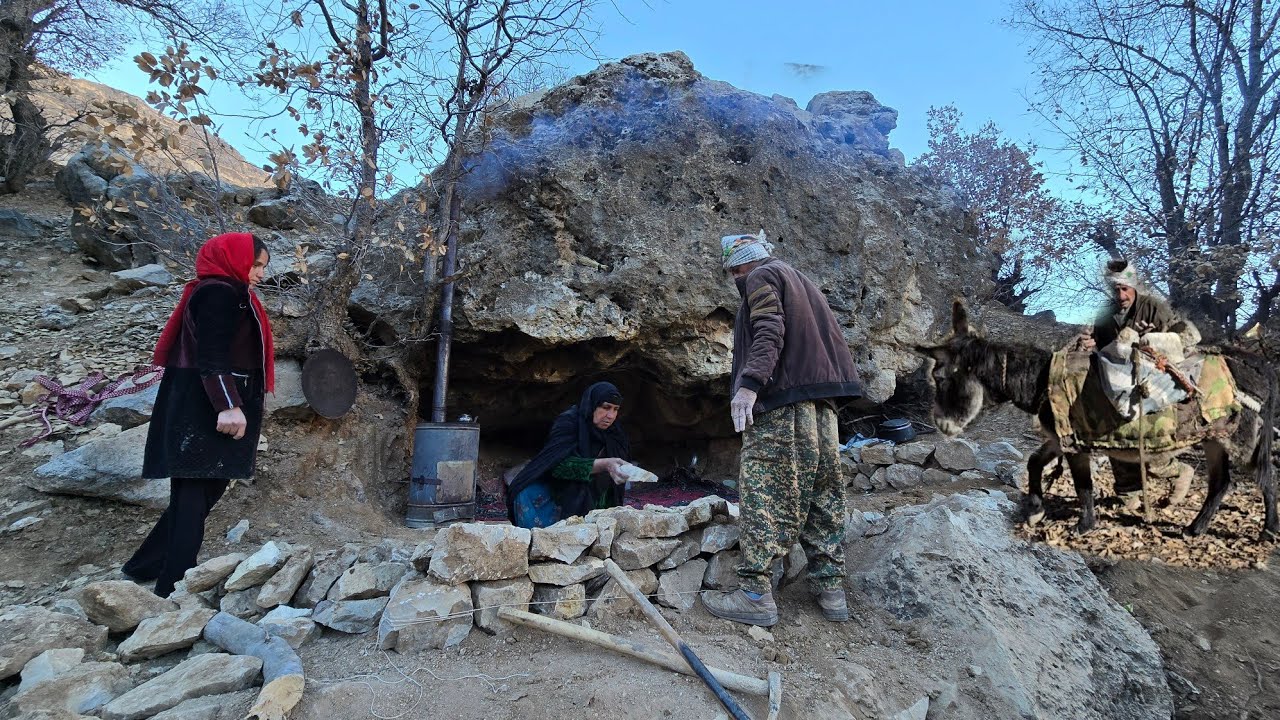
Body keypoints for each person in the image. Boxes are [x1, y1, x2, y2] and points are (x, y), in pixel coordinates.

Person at [701, 230, 862, 627]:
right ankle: (831, 590)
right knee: (823, 495)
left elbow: (770, 329)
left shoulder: (760, 277)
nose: (735, 277)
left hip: (783, 404)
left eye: (733, 270)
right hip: (823, 410)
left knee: (764, 491)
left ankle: (754, 594)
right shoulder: (804, 283)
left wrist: (749, 385)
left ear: (739, 264)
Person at [122, 232, 274, 597]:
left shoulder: (226, 292)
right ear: (233, 258)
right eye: (255, 265)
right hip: (203, 408)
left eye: (263, 267)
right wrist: (228, 405)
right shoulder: (218, 293)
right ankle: (172, 586)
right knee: (193, 493)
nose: (259, 274)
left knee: (202, 491)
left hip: (204, 403)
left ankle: (145, 564)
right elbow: (211, 355)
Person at [1081, 259, 1197, 510]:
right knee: (1116, 437)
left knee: (1153, 440)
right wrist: (1089, 345)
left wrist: (1156, 336)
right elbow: (1102, 349)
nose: (1120, 295)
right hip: (1118, 387)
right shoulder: (1104, 314)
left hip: (1153, 384)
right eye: (1115, 290)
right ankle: (1128, 492)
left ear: (1133, 286)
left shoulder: (1155, 307)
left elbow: (1182, 340)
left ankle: (1177, 471)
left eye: (1125, 289)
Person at [506, 381, 631, 528]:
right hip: (558, 490)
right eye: (605, 407)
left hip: (596, 496)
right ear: (592, 404)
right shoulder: (569, 423)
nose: (610, 416)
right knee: (525, 492)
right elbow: (558, 466)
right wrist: (603, 464)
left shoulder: (615, 435)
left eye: (615, 409)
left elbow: (614, 488)